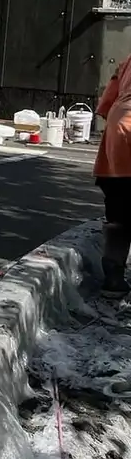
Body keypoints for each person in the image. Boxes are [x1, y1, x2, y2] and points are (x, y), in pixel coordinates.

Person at [93, 54, 131, 298]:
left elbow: (106, 103)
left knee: (119, 210)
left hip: (120, 124)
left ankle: (113, 279)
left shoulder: (127, 60)